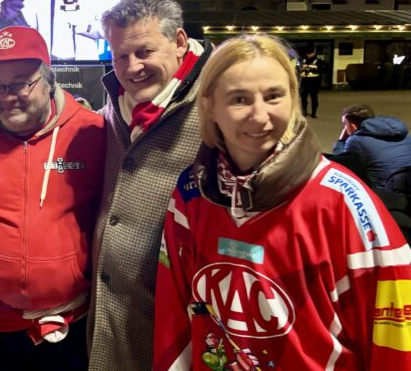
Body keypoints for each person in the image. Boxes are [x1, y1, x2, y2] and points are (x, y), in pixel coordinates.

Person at [154, 33, 411, 369]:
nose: (260, 116)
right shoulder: (192, 192)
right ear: (210, 106)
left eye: (274, 96)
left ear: (293, 98)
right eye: (239, 99)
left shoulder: (344, 202)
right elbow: (174, 311)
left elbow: (394, 336)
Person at [0, 26, 106, 369]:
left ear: (48, 80)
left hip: (67, 326)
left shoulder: (91, 133)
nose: (8, 96)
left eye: (22, 82)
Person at [87, 0, 213, 370]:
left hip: (179, 317)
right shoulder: (115, 103)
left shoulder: (215, 101)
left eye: (144, 52)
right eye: (120, 55)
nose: (132, 67)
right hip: (109, 311)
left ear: (178, 42)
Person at [330, 104, 411, 190]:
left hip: (386, 193)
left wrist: (341, 141)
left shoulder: (356, 141)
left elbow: (342, 165)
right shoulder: (403, 134)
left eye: (345, 124)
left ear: (352, 126)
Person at [299, 45, 323, 118]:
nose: (308, 55)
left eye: (310, 53)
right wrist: (301, 69)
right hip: (305, 81)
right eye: (307, 53)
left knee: (314, 97)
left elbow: (321, 70)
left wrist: (311, 70)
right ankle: (304, 112)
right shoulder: (303, 60)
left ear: (313, 53)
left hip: (314, 81)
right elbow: (299, 68)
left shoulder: (318, 61)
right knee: (303, 97)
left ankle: (313, 113)